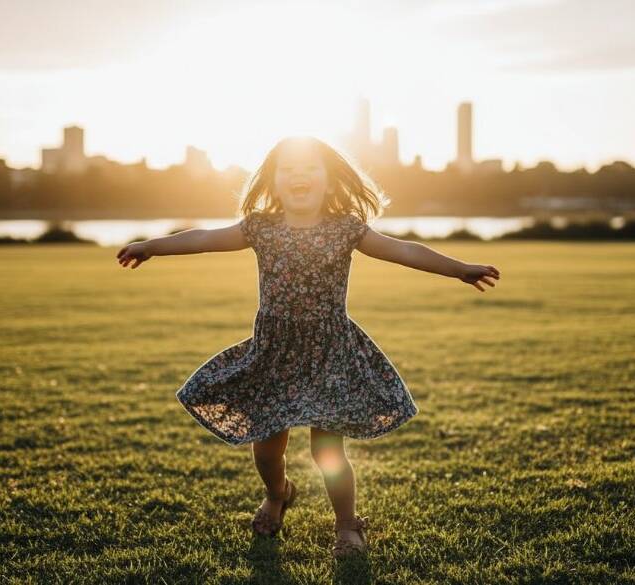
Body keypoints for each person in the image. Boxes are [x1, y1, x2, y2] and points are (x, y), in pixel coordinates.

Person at [116, 135, 501, 559]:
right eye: (289, 170)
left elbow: (402, 249)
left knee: (327, 449)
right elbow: (203, 238)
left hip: (329, 351)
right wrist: (151, 246)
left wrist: (459, 269)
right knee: (266, 449)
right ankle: (278, 494)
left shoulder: (346, 227)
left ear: (328, 178)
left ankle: (346, 525)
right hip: (274, 353)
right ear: (274, 181)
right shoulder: (259, 227)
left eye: (310, 168)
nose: (299, 176)